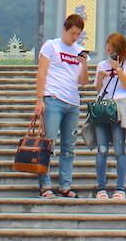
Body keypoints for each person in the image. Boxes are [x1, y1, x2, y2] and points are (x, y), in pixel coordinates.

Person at [34, 13, 89, 198]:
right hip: (53, 99)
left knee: (69, 147)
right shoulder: (51, 46)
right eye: (72, 33)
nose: (75, 37)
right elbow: (41, 73)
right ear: (64, 29)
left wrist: (84, 64)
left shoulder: (79, 51)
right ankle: (45, 185)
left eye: (78, 34)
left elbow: (83, 81)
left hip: (72, 103)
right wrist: (39, 99)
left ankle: (65, 185)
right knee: (48, 143)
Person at [85, 32, 126, 200]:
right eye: (108, 46)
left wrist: (118, 69)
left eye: (112, 47)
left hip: (118, 107)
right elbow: (97, 88)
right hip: (102, 107)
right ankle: (101, 188)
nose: (108, 49)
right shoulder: (102, 64)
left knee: (119, 149)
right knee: (102, 149)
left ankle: (120, 188)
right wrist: (100, 76)